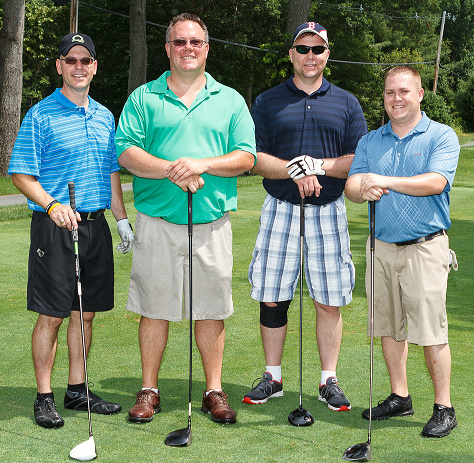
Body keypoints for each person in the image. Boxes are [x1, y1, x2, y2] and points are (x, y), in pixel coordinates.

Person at [114, 13, 256, 425]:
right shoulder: (144, 97)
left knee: (210, 309)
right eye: (180, 42)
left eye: (195, 42)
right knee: (154, 308)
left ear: (207, 48)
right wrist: (174, 169)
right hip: (157, 221)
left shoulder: (229, 99)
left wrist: (202, 165)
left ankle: (213, 388)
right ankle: (149, 389)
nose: (188, 48)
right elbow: (126, 151)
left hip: (211, 224)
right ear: (168, 48)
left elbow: (245, 156)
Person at [8, 33, 134, 428]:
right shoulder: (40, 115)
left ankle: (76, 390)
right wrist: (52, 204)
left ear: (94, 66)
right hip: (55, 227)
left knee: (87, 313)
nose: (79, 66)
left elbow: (111, 172)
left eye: (86, 60)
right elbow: (20, 174)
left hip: (95, 226)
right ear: (60, 66)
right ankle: (45, 396)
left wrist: (122, 217)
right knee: (53, 315)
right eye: (71, 59)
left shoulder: (104, 115)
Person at [243, 22, 367, 411]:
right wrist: (294, 170)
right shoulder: (267, 101)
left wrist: (320, 166)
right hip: (280, 210)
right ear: (292, 54)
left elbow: (357, 160)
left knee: (328, 300)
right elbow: (253, 157)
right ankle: (273, 377)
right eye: (302, 49)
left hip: (328, 212)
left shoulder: (346, 102)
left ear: (328, 53)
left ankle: (328, 380)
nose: (309, 56)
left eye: (317, 49)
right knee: (272, 297)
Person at [345, 66, 459, 437]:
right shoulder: (370, 140)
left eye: (404, 91)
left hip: (424, 247)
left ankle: (444, 406)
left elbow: (436, 182)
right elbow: (351, 185)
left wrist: (382, 181)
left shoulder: (441, 135)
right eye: (390, 92)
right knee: (389, 327)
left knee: (430, 330)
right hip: (380, 247)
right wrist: (361, 189)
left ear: (420, 94)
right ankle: (400, 396)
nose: (397, 98)